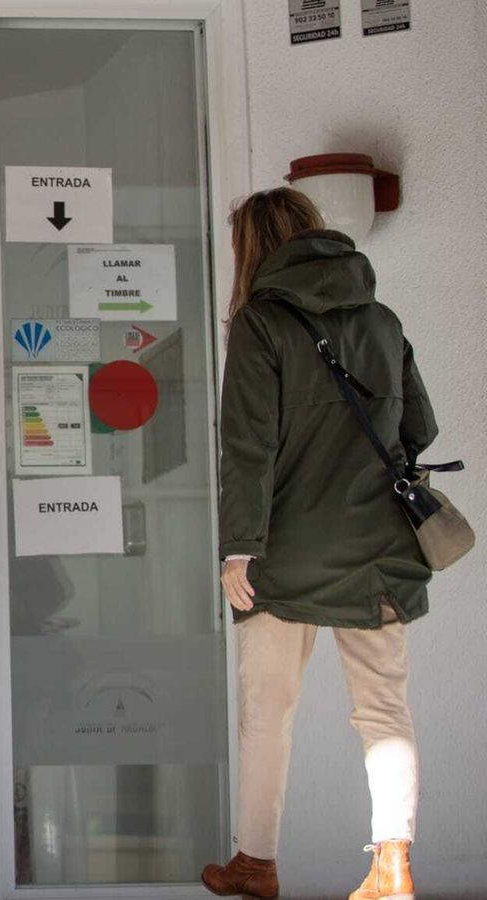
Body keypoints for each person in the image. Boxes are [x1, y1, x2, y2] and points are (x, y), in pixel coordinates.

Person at [203, 188, 435, 900]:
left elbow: (247, 446)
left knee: (267, 712)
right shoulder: (382, 318)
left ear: (252, 247)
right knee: (383, 712)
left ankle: (256, 862)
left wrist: (237, 546)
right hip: (378, 548)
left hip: (283, 552)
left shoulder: (260, 323)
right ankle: (391, 866)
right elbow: (419, 426)